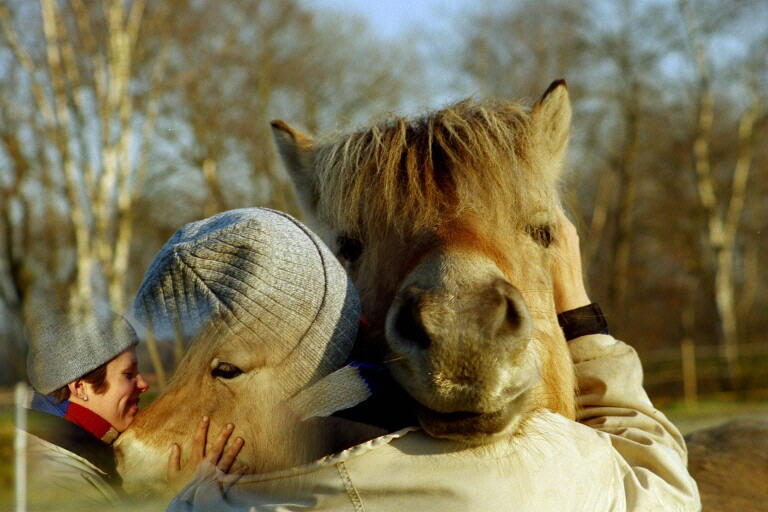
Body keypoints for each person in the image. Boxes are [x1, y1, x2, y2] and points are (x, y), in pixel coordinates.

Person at [142, 207, 699, 511]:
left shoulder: (208, 502)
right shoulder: (530, 474)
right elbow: (666, 492)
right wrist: (576, 310)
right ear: (353, 318)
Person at [22, 308, 244, 511]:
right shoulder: (58, 479)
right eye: (128, 374)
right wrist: (191, 500)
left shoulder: (73, 453)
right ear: (80, 387)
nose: (143, 384)